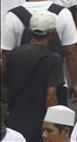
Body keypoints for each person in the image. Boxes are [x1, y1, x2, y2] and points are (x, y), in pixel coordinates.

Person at [0, 10, 63, 140]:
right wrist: (52, 124)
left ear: (29, 31)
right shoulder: (53, 59)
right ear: (52, 33)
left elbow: (5, 86)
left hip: (15, 118)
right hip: (39, 121)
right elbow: (51, 96)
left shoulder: (15, 53)